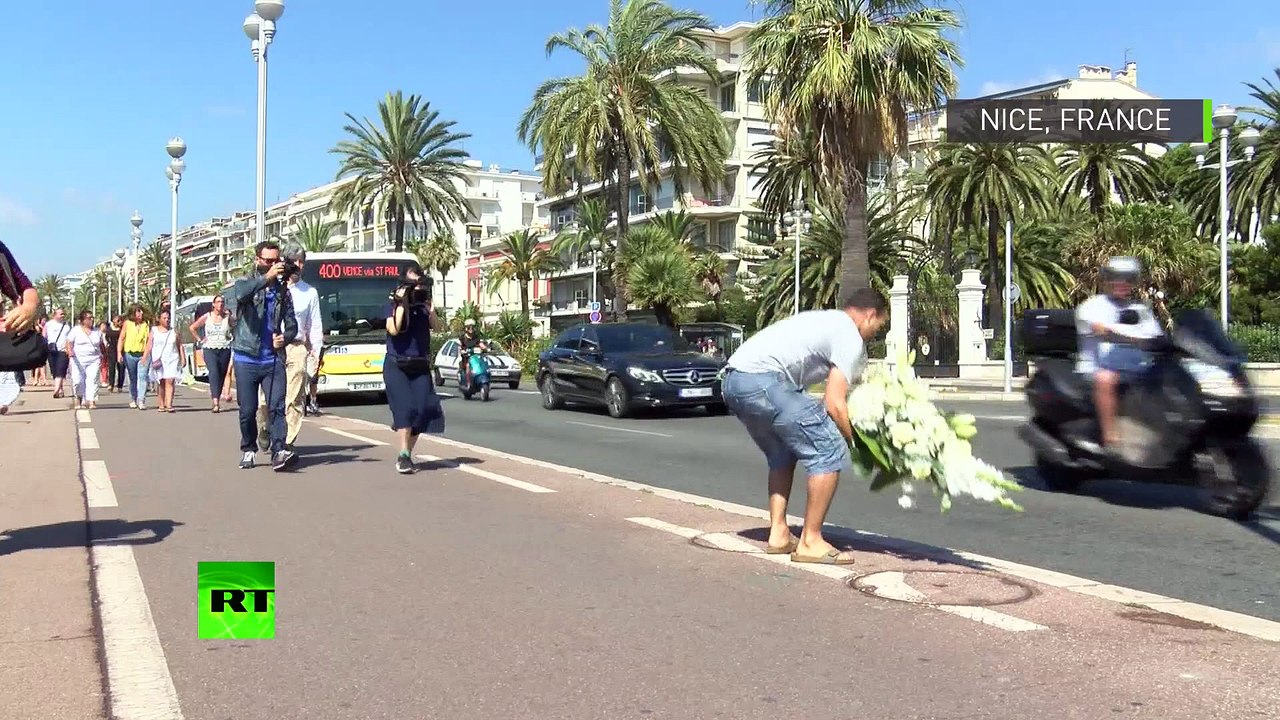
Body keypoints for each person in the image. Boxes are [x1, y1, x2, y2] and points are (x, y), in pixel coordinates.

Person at [721, 288, 889, 566]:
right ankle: (811, 541)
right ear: (870, 315)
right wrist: (859, 444)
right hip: (762, 382)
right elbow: (834, 402)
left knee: (783, 452)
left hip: (732, 382)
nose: (875, 332)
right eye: (878, 325)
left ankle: (778, 533)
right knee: (828, 449)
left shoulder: (825, 320)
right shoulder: (848, 334)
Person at [1074, 256, 1163, 452]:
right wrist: (1115, 334)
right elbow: (1098, 328)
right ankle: (1110, 439)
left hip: (1137, 371)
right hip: (1098, 369)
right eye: (1117, 277)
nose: (1122, 283)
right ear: (1107, 280)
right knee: (1106, 378)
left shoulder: (1140, 310)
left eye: (1128, 278)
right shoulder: (1093, 306)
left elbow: (1156, 336)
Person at [230, 239, 298, 471]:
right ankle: (248, 448)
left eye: (276, 260)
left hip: (272, 359)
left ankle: (279, 450)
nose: (273, 264)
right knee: (248, 410)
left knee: (277, 406)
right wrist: (267, 277)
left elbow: (292, 324)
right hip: (246, 357)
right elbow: (241, 295)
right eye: (268, 261)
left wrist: (286, 337)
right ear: (258, 260)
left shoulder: (282, 291)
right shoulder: (246, 282)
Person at [383, 262, 446, 474]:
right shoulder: (393, 302)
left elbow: (437, 328)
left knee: (424, 410)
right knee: (405, 408)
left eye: (418, 283)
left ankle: (407, 453)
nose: (416, 288)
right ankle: (403, 455)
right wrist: (402, 304)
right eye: (411, 284)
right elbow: (394, 329)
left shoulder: (424, 303)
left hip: (419, 364)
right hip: (396, 364)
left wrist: (431, 311)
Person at [265, 242, 323, 455]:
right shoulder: (273, 287)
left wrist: (316, 353)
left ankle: (287, 442)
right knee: (267, 400)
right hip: (271, 349)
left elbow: (315, 326)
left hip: (297, 347)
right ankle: (265, 429)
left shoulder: (310, 293)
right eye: (295, 262)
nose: (299, 266)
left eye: (302, 262)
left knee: (294, 397)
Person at [189, 294, 235, 412]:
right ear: (213, 304)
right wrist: (200, 340)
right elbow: (192, 327)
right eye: (218, 302)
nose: (220, 304)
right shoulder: (207, 316)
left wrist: (231, 321)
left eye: (222, 302)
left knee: (221, 374)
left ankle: (217, 397)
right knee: (214, 372)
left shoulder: (227, 317)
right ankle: (216, 402)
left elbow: (236, 326)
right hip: (210, 349)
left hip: (224, 348)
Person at [144, 308, 184, 413]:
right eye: (164, 318)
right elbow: (149, 345)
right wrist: (144, 357)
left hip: (172, 358)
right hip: (159, 360)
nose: (167, 320)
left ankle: (169, 404)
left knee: (170, 380)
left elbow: (180, 345)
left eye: (168, 318)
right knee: (161, 382)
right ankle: (161, 404)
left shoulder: (174, 331)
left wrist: (183, 358)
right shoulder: (154, 330)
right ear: (159, 319)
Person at [66, 310, 106, 409]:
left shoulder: (97, 331)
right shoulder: (75, 330)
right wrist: (70, 352)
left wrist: (103, 356)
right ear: (82, 320)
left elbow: (101, 345)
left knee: (92, 380)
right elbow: (69, 342)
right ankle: (78, 399)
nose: (91, 320)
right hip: (78, 359)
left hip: (94, 359)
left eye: (92, 317)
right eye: (89, 318)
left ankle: (91, 401)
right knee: (78, 381)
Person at [118, 305, 151, 409]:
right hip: (130, 354)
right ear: (133, 313)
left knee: (143, 377)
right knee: (133, 378)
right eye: (138, 312)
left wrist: (146, 354)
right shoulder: (127, 324)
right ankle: (133, 398)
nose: (140, 313)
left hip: (143, 354)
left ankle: (141, 400)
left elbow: (149, 340)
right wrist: (119, 353)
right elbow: (122, 338)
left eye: (141, 311)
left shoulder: (146, 324)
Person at [44, 307, 71, 399]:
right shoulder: (48, 324)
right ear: (55, 315)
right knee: (55, 371)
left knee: (60, 370)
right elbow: (44, 337)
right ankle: (60, 389)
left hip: (63, 351)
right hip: (51, 350)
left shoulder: (67, 326)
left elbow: (70, 339)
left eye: (63, 314)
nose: (62, 316)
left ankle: (56, 390)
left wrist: (70, 350)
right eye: (60, 314)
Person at [458, 319, 488, 388]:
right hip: (467, 358)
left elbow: (481, 344)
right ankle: (469, 383)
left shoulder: (476, 337)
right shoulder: (462, 338)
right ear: (466, 328)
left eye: (473, 327)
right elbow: (459, 347)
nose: (471, 329)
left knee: (484, 364)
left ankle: (484, 379)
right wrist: (462, 351)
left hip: (476, 357)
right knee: (468, 366)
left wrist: (486, 348)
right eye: (469, 327)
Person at [102, 316, 123, 393]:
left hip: (121, 350)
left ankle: (120, 385)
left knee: (121, 368)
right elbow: (106, 337)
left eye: (120, 321)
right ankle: (111, 384)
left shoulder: (122, 329)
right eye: (118, 320)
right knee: (111, 367)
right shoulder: (109, 329)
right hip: (111, 350)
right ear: (114, 321)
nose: (119, 322)